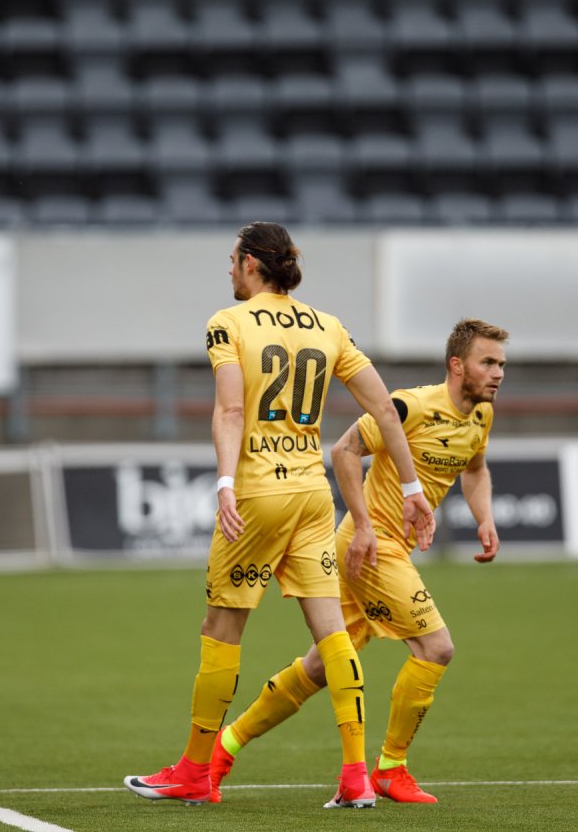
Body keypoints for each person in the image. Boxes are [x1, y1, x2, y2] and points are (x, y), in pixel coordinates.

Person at [125, 221, 435, 809]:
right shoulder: (328, 325)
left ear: (248, 263)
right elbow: (387, 412)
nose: (228, 270)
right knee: (333, 632)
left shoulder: (228, 323)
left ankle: (194, 769)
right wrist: (414, 485)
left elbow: (231, 407)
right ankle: (355, 777)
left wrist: (223, 481)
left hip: (259, 493)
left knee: (222, 629)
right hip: (314, 495)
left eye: (232, 260)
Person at [209, 318, 508, 805]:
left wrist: (485, 518)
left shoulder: (480, 418)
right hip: (372, 548)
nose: (497, 373)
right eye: (488, 362)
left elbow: (475, 469)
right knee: (436, 649)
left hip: (370, 549)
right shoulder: (411, 405)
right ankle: (390, 768)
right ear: (457, 365)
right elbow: (345, 450)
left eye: (501, 364)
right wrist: (365, 525)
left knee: (320, 667)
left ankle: (222, 750)